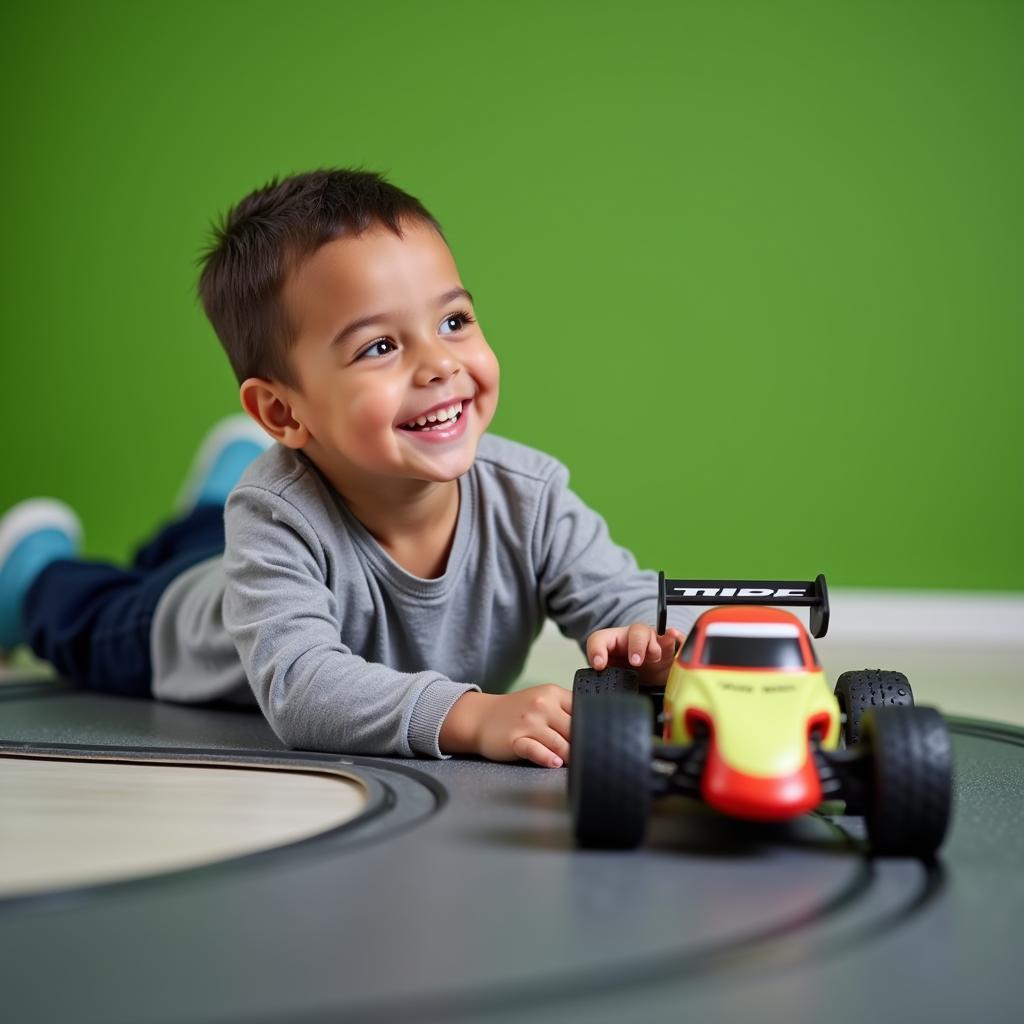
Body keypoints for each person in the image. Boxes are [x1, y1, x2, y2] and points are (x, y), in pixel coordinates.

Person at [0, 168, 695, 768]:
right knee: (86, 619)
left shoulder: (530, 497)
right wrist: (475, 717)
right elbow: (302, 688)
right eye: (381, 346)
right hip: (174, 627)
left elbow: (623, 597)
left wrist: (649, 645)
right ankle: (28, 572)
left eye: (454, 322)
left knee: (205, 531)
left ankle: (215, 491)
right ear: (283, 413)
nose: (440, 365)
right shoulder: (274, 514)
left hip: (250, 536)